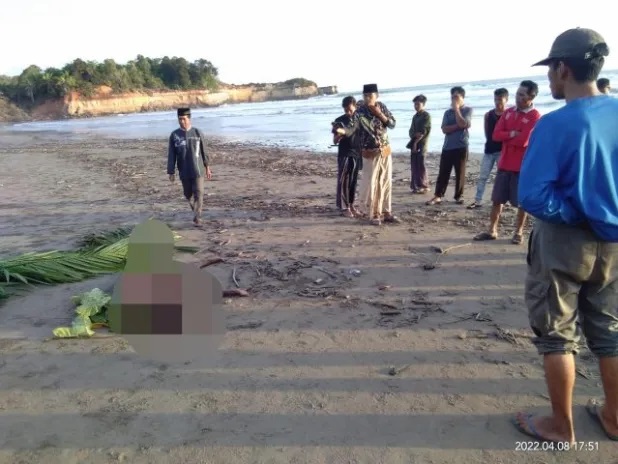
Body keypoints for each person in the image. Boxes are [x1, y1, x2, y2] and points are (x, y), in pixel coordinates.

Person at [512, 27, 618, 446]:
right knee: (610, 330)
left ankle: (561, 425)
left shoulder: (555, 125)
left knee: (557, 333)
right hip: (613, 241)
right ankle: (613, 416)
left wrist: (574, 212)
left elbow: (532, 194)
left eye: (551, 72)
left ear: (562, 68)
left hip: (564, 243)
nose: (549, 82)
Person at [473, 81, 541, 244]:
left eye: (522, 95)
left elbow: (524, 140)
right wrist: (512, 133)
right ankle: (492, 230)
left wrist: (508, 136)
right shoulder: (509, 112)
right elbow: (495, 135)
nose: (518, 97)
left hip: (521, 165)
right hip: (504, 163)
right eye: (517, 93)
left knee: (521, 202)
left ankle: (518, 232)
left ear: (531, 97)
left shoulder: (535, 116)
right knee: (497, 199)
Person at [335, 83, 400, 226]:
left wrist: (380, 114)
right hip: (370, 153)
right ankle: (374, 214)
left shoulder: (381, 106)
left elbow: (392, 124)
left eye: (370, 96)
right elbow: (351, 129)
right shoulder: (359, 112)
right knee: (373, 184)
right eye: (365, 96)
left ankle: (387, 212)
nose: (367, 98)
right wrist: (342, 131)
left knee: (386, 182)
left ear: (376, 96)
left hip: (385, 150)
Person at [426, 86, 473, 205]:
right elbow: (444, 129)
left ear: (462, 97)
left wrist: (457, 109)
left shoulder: (467, 110)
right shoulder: (447, 112)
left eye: (456, 97)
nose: (453, 99)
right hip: (447, 146)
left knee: (460, 172)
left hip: (461, 145)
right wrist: (458, 126)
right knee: (443, 172)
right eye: (452, 97)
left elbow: (464, 123)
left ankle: (459, 196)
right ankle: (438, 195)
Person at [167, 107, 212, 226]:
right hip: (184, 171)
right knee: (188, 194)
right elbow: (171, 154)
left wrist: (207, 167)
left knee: (199, 192)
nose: (182, 121)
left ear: (189, 118)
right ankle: (194, 208)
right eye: (180, 119)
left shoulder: (197, 133)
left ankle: (197, 217)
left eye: (184, 119)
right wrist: (171, 171)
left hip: (198, 169)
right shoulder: (174, 135)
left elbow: (204, 151)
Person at [467, 88, 509, 209]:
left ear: (506, 100)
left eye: (500, 99)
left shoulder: (508, 115)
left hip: (502, 151)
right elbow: (488, 133)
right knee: (483, 176)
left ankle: (502, 201)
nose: (497, 102)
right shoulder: (488, 115)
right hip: (489, 150)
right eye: (495, 99)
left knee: (502, 177)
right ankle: (478, 200)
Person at [332, 96, 362, 218]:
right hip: (345, 153)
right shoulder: (339, 120)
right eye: (345, 110)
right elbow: (334, 141)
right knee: (344, 181)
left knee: (353, 181)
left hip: (356, 153)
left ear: (355, 107)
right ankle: (344, 207)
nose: (348, 112)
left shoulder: (359, 119)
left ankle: (351, 204)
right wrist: (339, 136)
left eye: (350, 109)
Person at [407, 94, 431, 194]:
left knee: (421, 164)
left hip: (422, 143)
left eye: (418, 104)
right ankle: (415, 185)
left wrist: (416, 142)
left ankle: (424, 185)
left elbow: (424, 131)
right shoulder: (415, 116)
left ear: (423, 104)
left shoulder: (426, 116)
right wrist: (413, 138)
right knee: (414, 164)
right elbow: (411, 131)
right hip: (413, 142)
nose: (416, 106)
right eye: (415, 104)